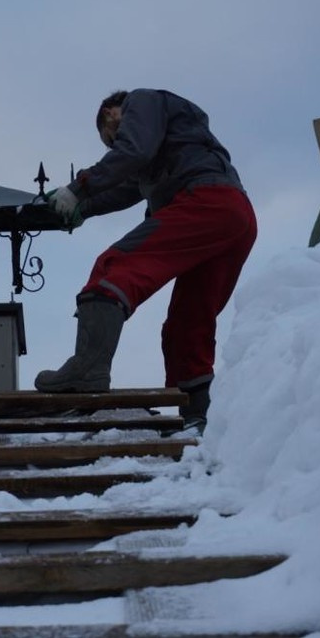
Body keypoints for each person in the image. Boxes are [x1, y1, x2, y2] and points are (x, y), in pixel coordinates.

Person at [36, 89, 258, 433]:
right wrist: (82, 206)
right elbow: (127, 186)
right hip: (234, 218)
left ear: (111, 113)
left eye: (111, 139)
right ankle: (197, 418)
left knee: (114, 269)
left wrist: (77, 188)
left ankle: (87, 370)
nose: (114, 145)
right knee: (188, 322)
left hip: (205, 201)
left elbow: (131, 152)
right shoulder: (168, 142)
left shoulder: (141, 101)